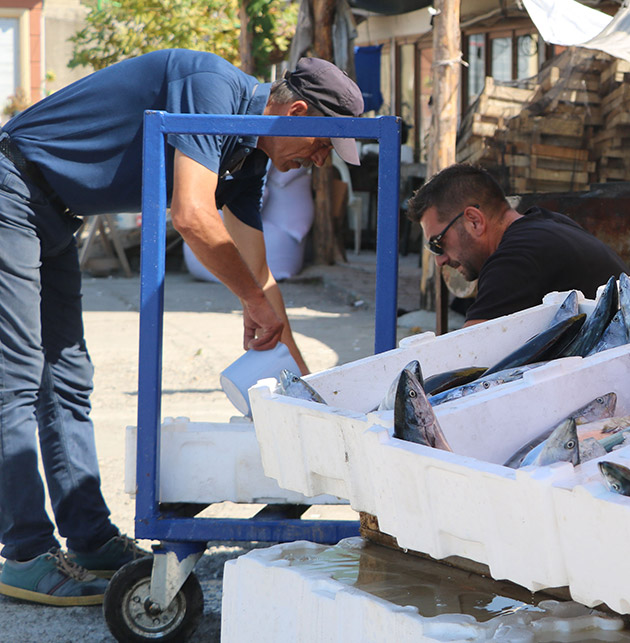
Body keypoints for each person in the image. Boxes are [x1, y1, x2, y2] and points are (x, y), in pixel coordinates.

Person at [0, 50, 364, 606]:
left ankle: (90, 539)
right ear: (295, 114)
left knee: (69, 378)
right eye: (322, 146)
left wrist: (308, 401)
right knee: (18, 378)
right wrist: (250, 300)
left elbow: (262, 276)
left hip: (56, 213)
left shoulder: (247, 157)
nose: (318, 162)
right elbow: (191, 214)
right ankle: (25, 553)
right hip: (13, 188)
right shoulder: (210, 88)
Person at [407, 164, 629, 325]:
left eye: (438, 242)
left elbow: (465, 357)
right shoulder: (547, 224)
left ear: (474, 221)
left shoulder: (514, 259)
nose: (439, 260)